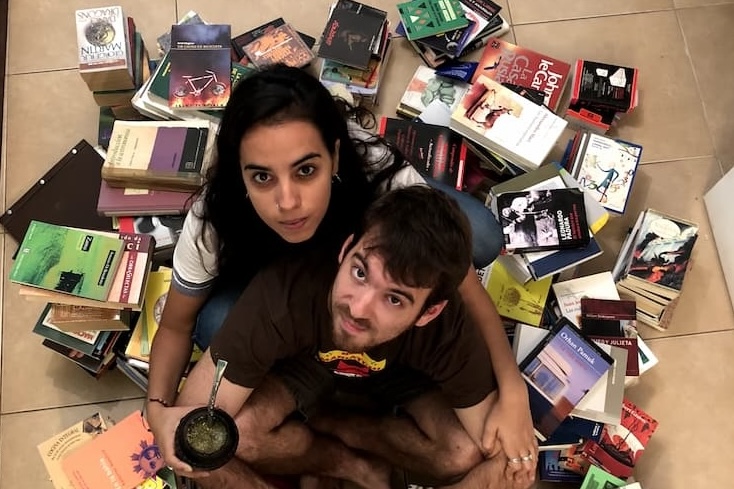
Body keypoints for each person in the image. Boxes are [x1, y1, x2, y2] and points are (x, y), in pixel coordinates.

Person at [146, 64, 536, 479]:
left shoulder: (379, 174)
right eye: (261, 176)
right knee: (216, 324)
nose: (288, 201)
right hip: (288, 312)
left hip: (369, 295)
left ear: (334, 156)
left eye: (305, 170)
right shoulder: (218, 221)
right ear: (240, 173)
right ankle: (339, 446)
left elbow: (456, 282)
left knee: (475, 236)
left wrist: (513, 389)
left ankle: (344, 419)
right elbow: (174, 328)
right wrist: (158, 412)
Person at [172, 187, 534, 489]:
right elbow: (185, 427)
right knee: (233, 433)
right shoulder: (288, 291)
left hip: (401, 375)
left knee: (460, 453)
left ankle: (339, 427)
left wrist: (513, 396)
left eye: (394, 298)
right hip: (303, 364)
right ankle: (346, 464)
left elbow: (506, 462)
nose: (359, 308)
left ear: (429, 312)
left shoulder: (449, 326)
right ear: (345, 251)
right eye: (360, 273)